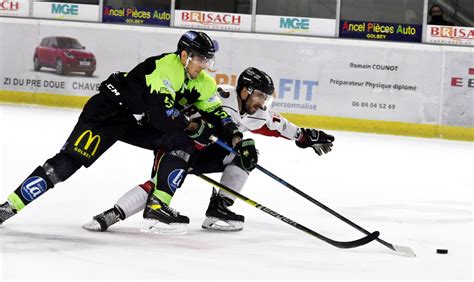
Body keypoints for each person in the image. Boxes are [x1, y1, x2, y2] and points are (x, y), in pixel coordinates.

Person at [0, 30, 255, 227]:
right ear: (184, 55)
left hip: (136, 120)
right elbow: (163, 115)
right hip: (108, 112)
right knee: (67, 164)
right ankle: (9, 207)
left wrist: (234, 135)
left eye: (208, 59)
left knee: (181, 144)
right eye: (200, 58)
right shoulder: (164, 67)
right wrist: (192, 125)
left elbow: (217, 112)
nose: (205, 64)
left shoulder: (202, 81)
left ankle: (158, 205)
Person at [82, 67, 335, 233]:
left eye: (266, 98)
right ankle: (114, 214)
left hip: (209, 152)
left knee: (247, 154)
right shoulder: (218, 96)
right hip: (179, 144)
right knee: (162, 184)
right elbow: (179, 109)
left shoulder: (258, 113)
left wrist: (307, 137)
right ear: (245, 91)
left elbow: (281, 126)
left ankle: (219, 209)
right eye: (259, 96)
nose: (262, 102)